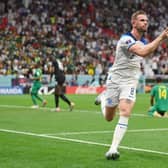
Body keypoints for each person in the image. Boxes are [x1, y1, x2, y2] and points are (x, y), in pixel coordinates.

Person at [95, 10, 168, 160]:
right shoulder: (125, 40)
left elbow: (146, 50)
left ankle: (113, 149)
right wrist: (161, 37)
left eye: (146, 21)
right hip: (115, 80)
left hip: (129, 82)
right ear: (133, 23)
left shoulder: (144, 42)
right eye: (142, 20)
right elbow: (142, 52)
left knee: (125, 111)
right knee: (109, 117)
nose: (145, 23)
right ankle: (103, 98)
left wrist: (160, 39)